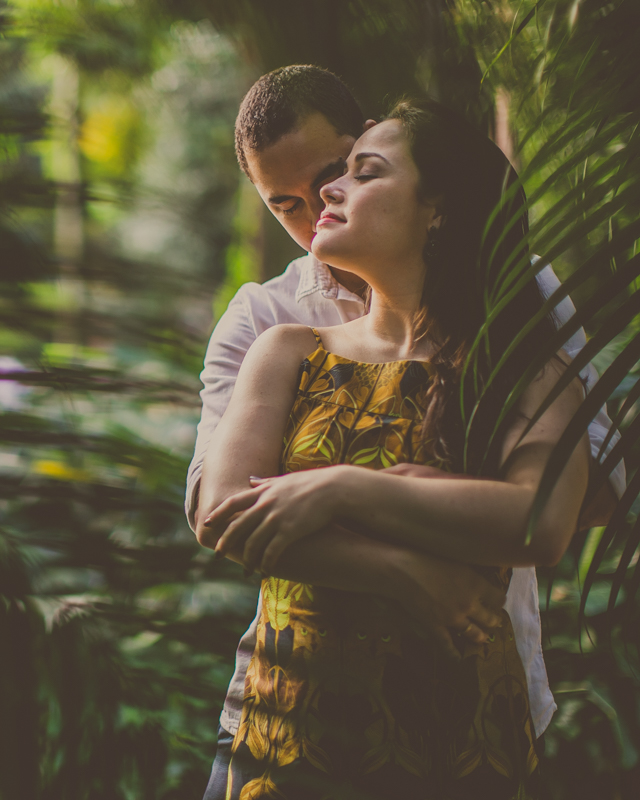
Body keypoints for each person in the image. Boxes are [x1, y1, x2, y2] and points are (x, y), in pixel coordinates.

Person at [190, 69, 624, 799]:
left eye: (344, 172)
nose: (314, 210)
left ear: (437, 207)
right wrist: (413, 569)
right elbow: (222, 510)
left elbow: (583, 499)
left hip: (468, 692)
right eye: (282, 205)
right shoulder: (273, 332)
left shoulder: (519, 329)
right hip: (292, 714)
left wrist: (342, 489)